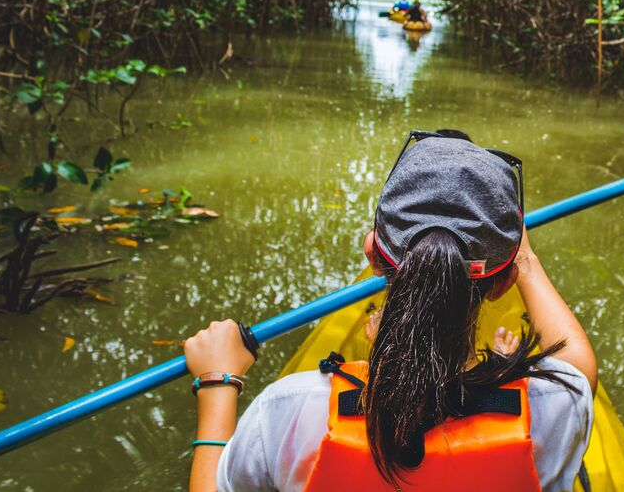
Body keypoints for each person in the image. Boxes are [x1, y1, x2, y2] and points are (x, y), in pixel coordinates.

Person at [184, 132, 597, 492]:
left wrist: (218, 381)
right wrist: (522, 255)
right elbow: (578, 363)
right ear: (504, 280)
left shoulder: (289, 410)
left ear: (374, 254)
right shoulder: (556, 406)